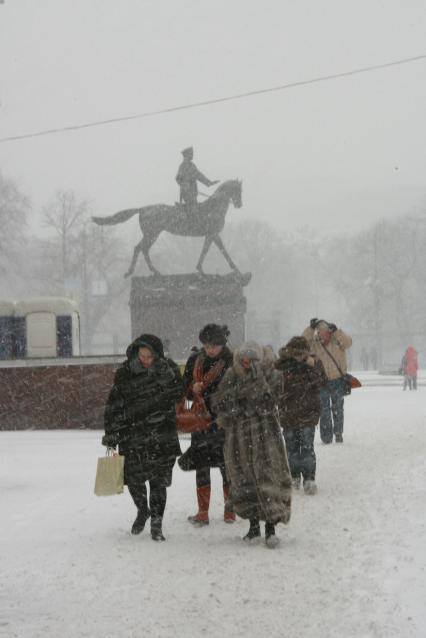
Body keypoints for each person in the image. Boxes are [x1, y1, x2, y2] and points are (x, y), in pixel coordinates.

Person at [101, 334, 184, 541]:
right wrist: (111, 431)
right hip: (133, 434)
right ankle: (142, 509)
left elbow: (179, 394)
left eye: (150, 356)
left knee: (158, 482)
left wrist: (166, 385)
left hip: (161, 433)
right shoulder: (125, 374)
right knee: (134, 480)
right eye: (142, 355)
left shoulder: (168, 371)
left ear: (157, 356)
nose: (145, 360)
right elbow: (113, 405)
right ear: (136, 353)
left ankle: (157, 524)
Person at [211, 341, 292, 548]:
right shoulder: (231, 375)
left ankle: (271, 528)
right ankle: (253, 526)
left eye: (251, 361)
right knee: (245, 481)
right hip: (239, 435)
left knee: (269, 478)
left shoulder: (272, 375)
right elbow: (219, 402)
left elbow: (271, 400)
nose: (247, 364)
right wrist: (238, 395)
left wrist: (257, 383)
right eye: (243, 361)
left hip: (266, 436)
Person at [180, 324, 234, 526]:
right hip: (200, 421)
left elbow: (236, 391)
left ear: (222, 344)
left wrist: (218, 398)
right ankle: (203, 511)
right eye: (207, 345)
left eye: (214, 346)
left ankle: (230, 510)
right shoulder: (195, 360)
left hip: (223, 420)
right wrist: (191, 389)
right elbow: (183, 391)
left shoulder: (230, 360)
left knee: (226, 465)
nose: (210, 349)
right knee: (201, 464)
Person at [275, 336, 327, 495]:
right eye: (296, 354)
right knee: (291, 447)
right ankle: (294, 476)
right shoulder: (282, 366)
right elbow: (276, 387)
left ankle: (309, 478)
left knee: (307, 446)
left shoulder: (314, 363)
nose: (299, 357)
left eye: (302, 354)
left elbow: (322, 383)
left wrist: (312, 368)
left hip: (308, 412)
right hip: (288, 413)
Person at [303, 319, 352, 444]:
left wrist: (337, 332)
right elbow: (301, 344)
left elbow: (348, 342)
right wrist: (310, 329)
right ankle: (326, 437)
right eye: (319, 332)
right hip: (321, 381)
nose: (322, 335)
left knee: (338, 408)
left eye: (325, 333)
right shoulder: (314, 345)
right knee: (323, 410)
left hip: (337, 380)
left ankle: (338, 433)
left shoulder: (337, 342)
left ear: (330, 333)